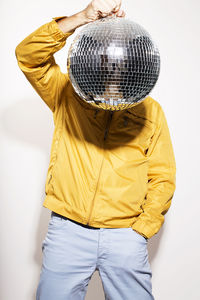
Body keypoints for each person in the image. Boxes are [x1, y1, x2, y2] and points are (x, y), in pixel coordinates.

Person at [15, 0, 176, 299]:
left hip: (125, 235)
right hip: (68, 232)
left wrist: (142, 228)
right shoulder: (66, 96)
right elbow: (28, 56)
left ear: (136, 61)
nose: (113, 63)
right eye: (105, 56)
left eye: (120, 59)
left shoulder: (151, 111)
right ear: (91, 57)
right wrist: (81, 17)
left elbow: (163, 175)